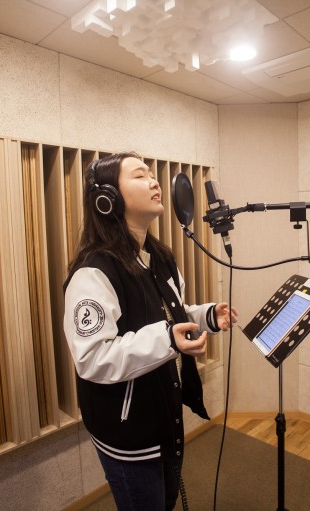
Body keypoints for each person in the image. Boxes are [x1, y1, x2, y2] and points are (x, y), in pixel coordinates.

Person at [63, 152, 237, 510]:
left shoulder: (159, 257)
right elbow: (93, 358)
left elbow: (168, 315)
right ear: (108, 198)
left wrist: (205, 316)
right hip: (128, 432)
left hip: (163, 418)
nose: (155, 182)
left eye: (152, 174)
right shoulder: (93, 272)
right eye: (140, 176)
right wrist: (167, 338)